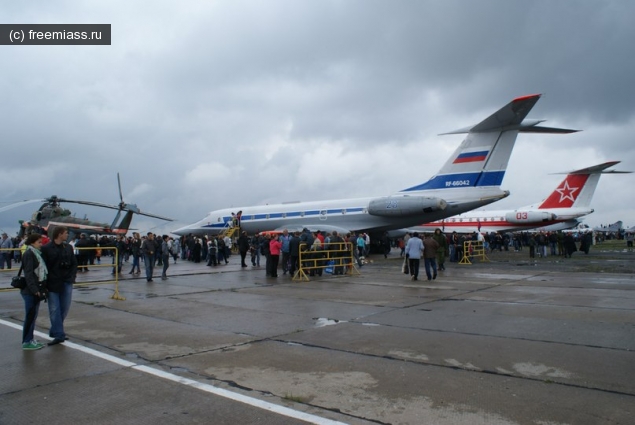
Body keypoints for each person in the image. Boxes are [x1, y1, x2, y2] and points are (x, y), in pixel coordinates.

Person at [41, 226, 77, 346]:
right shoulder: (46, 249)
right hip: (52, 283)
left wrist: (72, 277)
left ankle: (56, 330)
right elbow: (43, 267)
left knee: (64, 308)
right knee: (54, 309)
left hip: (66, 281)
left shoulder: (68, 247)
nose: (67, 235)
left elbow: (73, 264)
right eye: (66, 233)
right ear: (59, 234)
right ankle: (59, 334)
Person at [20, 233, 48, 350]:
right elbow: (29, 273)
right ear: (32, 242)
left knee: (33, 315)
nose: (41, 245)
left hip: (35, 288)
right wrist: (34, 289)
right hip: (30, 290)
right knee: (30, 316)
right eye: (39, 242)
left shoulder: (36, 253)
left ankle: (30, 339)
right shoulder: (29, 254)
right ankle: (26, 341)